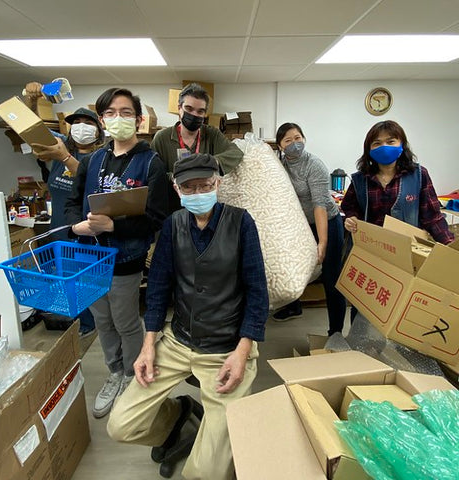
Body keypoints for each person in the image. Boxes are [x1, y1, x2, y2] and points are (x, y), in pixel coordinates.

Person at [107, 153, 269, 480]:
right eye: (189, 188)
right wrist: (149, 344)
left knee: (207, 471)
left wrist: (242, 352)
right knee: (120, 426)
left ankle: (212, 438)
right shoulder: (172, 225)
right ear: (177, 189)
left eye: (205, 185)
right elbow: (158, 287)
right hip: (179, 341)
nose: (198, 193)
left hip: (227, 348)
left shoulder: (242, 223)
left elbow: (257, 292)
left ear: (218, 183)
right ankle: (177, 415)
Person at [64, 87, 169, 419]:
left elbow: (157, 218)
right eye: (110, 113)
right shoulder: (91, 161)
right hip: (90, 258)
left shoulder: (150, 163)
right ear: (101, 120)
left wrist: (115, 228)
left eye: (125, 112)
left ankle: (133, 374)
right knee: (103, 320)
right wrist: (75, 227)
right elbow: (70, 203)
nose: (117, 119)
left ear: (138, 120)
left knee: (125, 321)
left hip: (125, 259)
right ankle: (115, 372)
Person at [23, 82, 106, 337]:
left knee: (84, 283)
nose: (81, 126)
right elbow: (30, 131)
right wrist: (33, 100)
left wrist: (65, 158)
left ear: (98, 130)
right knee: (62, 280)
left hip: (86, 235)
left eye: (88, 122)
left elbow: (89, 183)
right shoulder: (58, 148)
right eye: (76, 121)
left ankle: (89, 325)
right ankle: (74, 323)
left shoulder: (102, 159)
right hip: (57, 231)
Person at [273, 123, 347, 336]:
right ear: (280, 145)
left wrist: (322, 242)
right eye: (288, 140)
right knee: (294, 269)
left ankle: (336, 332)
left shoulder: (314, 165)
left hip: (328, 223)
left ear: (304, 139)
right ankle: (294, 305)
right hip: (301, 225)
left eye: (298, 138)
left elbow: (319, 206)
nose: (294, 144)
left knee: (332, 277)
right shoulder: (280, 165)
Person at [341, 120, 454, 244]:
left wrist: (449, 247)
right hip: (371, 246)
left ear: (402, 145)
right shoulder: (361, 179)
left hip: (406, 248)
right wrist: (351, 218)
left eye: (391, 141)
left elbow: (433, 217)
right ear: (369, 150)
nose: (384, 147)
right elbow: (349, 206)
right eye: (377, 143)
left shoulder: (418, 175)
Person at [151, 82, 244, 213]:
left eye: (200, 111)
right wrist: (177, 177)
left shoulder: (212, 134)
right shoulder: (162, 138)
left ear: (205, 114)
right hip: (172, 209)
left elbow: (235, 153)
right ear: (179, 108)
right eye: (189, 109)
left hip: (205, 208)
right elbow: (154, 175)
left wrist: (212, 162)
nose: (194, 114)